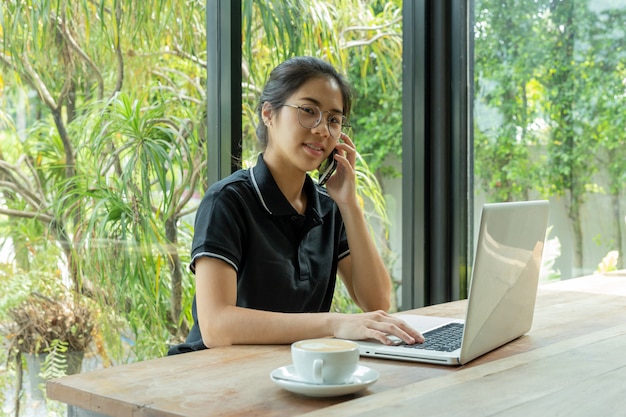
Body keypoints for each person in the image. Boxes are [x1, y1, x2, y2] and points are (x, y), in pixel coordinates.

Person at [168, 56, 423, 355]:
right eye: (308, 111)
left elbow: (376, 302)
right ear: (268, 113)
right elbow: (216, 327)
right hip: (216, 377)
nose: (322, 130)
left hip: (294, 374)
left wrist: (349, 203)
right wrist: (333, 324)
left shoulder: (329, 207)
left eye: (333, 119)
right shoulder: (227, 200)